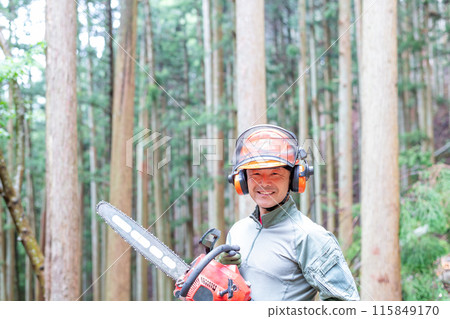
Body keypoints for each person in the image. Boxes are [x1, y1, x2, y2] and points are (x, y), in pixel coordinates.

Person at [217, 124, 359, 301]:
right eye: (256, 174)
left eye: (275, 173)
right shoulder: (238, 231)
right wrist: (222, 274)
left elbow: (346, 303)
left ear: (294, 178)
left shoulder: (309, 236)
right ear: (243, 180)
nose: (264, 182)